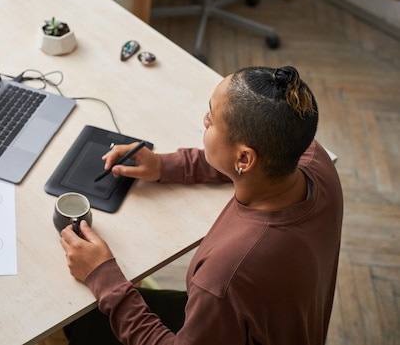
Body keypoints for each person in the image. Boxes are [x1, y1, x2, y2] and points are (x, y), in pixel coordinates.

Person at [59, 66, 343, 345]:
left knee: (77, 318)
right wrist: (163, 165)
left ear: (244, 159)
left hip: (225, 315)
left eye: (212, 118)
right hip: (268, 322)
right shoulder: (313, 160)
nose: (205, 120)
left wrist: (103, 276)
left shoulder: (225, 274)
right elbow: (258, 162)